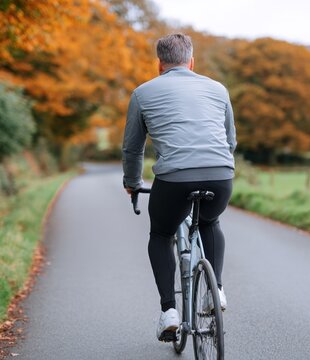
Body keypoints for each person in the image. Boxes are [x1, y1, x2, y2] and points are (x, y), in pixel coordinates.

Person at [122, 33, 236, 342]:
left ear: (159, 64)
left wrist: (133, 184)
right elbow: (231, 141)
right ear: (192, 61)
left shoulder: (142, 93)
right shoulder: (218, 89)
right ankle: (218, 292)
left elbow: (132, 150)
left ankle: (169, 312)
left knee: (161, 234)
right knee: (210, 221)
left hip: (173, 179)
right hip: (221, 174)